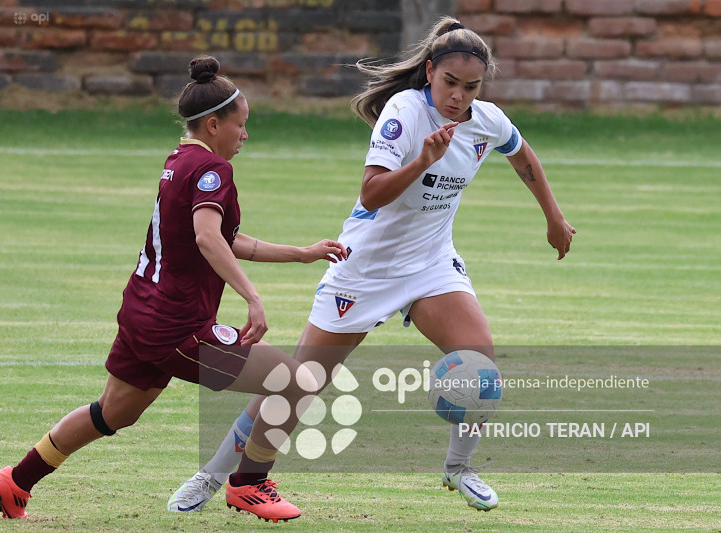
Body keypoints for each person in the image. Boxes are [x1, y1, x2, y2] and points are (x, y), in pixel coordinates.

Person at [168, 17, 576, 514]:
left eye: (471, 87)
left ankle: (459, 469)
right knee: (301, 382)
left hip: (430, 264)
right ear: (430, 71)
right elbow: (371, 193)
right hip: (364, 268)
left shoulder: (486, 120)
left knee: (479, 365)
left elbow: (522, 154)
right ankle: (213, 476)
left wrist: (554, 217)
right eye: (450, 83)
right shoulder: (404, 112)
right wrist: (422, 161)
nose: (459, 97)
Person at [0, 55, 348, 523]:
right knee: (295, 381)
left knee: (112, 413)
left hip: (142, 313)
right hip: (178, 325)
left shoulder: (178, 161)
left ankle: (15, 480)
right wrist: (252, 297)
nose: (245, 135)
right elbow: (208, 237)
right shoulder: (213, 170)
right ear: (213, 124)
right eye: (240, 125)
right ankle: (248, 484)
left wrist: (301, 253)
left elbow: (223, 238)